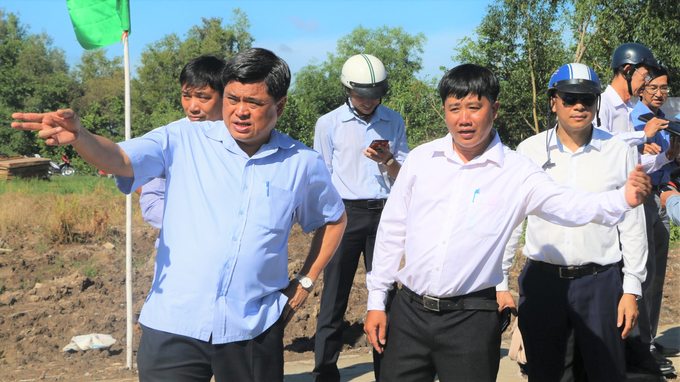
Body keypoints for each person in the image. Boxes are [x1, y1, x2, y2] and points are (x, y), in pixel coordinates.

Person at [11, 48, 348, 382]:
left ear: (280, 104)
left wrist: (304, 283)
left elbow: (334, 219)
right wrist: (81, 138)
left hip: (253, 329)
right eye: (232, 99)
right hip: (174, 326)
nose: (240, 111)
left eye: (254, 103)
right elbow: (118, 158)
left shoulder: (301, 163)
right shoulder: (182, 139)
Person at [363, 63, 651, 381]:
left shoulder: (517, 171)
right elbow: (392, 229)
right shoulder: (421, 159)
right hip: (409, 313)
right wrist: (377, 300)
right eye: (454, 108)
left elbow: (569, 205)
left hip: (470, 319)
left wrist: (621, 200)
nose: (463, 119)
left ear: (494, 108)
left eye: (474, 107)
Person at [499, 63, 647, 381]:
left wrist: (631, 289)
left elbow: (632, 223)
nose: (579, 105)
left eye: (588, 98)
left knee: (604, 371)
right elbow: (512, 220)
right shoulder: (529, 151)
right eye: (569, 97)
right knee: (545, 372)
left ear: (597, 102)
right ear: (553, 101)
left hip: (601, 283)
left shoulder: (618, 151)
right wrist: (500, 283)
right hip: (543, 283)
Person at [312, 54, 409, 382]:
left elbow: (404, 175)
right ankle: (325, 371)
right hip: (345, 215)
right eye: (361, 96)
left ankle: (387, 372)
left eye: (375, 95)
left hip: (384, 214)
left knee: (385, 296)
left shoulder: (393, 121)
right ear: (347, 90)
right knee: (334, 295)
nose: (369, 102)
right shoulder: (329, 124)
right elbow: (322, 176)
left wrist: (388, 159)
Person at [627, 65, 680, 375]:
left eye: (664, 88)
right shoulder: (634, 121)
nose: (659, 93)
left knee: (658, 272)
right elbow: (632, 161)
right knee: (642, 270)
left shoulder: (667, 120)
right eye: (653, 87)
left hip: (664, 192)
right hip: (643, 195)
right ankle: (640, 344)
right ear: (641, 89)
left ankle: (648, 337)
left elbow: (665, 159)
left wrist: (673, 154)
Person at [138, 55, 226, 234]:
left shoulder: (245, 139)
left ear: (225, 96)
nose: (192, 106)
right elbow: (152, 202)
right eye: (186, 96)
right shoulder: (169, 139)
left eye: (203, 98)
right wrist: (204, 227)